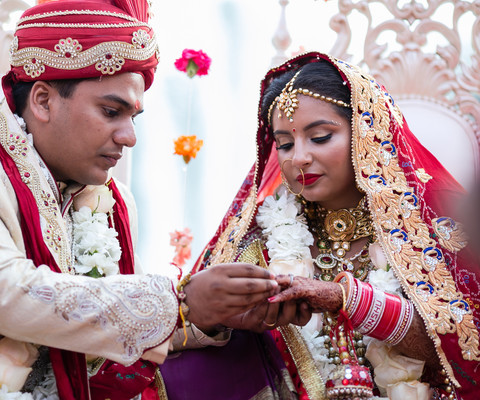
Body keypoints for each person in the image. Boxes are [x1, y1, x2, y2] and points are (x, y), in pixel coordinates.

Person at [0, 1, 279, 399]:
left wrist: (211, 315)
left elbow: (113, 321)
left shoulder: (111, 200)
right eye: (111, 111)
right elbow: (8, 293)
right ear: (42, 101)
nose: (129, 136)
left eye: (133, 118)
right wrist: (180, 303)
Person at [159, 52, 479, 399]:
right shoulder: (257, 240)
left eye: (320, 137)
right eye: (284, 143)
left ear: (366, 136)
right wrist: (223, 323)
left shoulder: (426, 236)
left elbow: (465, 359)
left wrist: (350, 301)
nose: (298, 157)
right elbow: (174, 339)